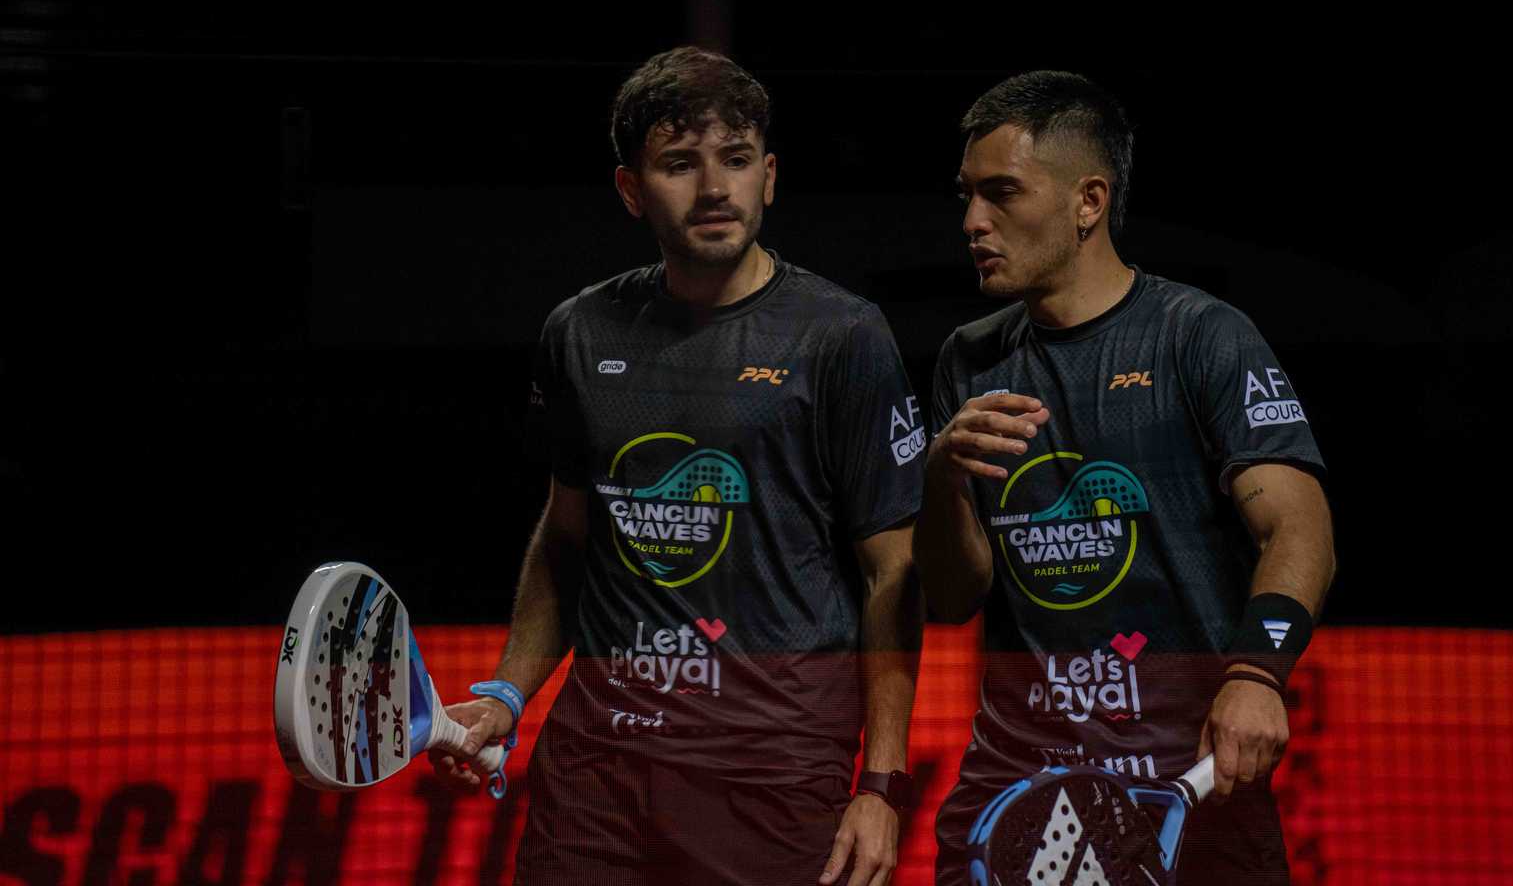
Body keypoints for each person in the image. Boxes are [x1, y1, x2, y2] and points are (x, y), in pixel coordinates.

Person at [430, 47, 925, 886]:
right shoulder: (580, 331)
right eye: (680, 164)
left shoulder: (842, 336)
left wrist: (881, 784)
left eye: (736, 159)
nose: (715, 188)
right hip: (596, 773)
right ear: (631, 189)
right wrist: (508, 693)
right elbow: (567, 537)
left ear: (770, 176)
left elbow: (892, 575)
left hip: (771, 774)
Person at [914, 71, 1336, 884]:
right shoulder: (969, 360)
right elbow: (955, 596)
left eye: (1002, 192)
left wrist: (1257, 674)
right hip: (1020, 786)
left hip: (1191, 778)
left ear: (1089, 201)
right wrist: (940, 477)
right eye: (967, 195)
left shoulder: (1200, 337)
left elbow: (1299, 526)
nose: (972, 222)